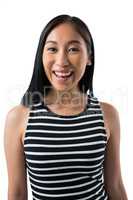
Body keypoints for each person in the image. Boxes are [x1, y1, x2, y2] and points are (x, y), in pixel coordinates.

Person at [4, 14, 128, 200]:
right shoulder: (19, 117)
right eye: (52, 49)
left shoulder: (107, 114)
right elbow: (17, 193)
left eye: (73, 49)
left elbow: (115, 185)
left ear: (89, 58)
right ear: (41, 55)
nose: (61, 61)